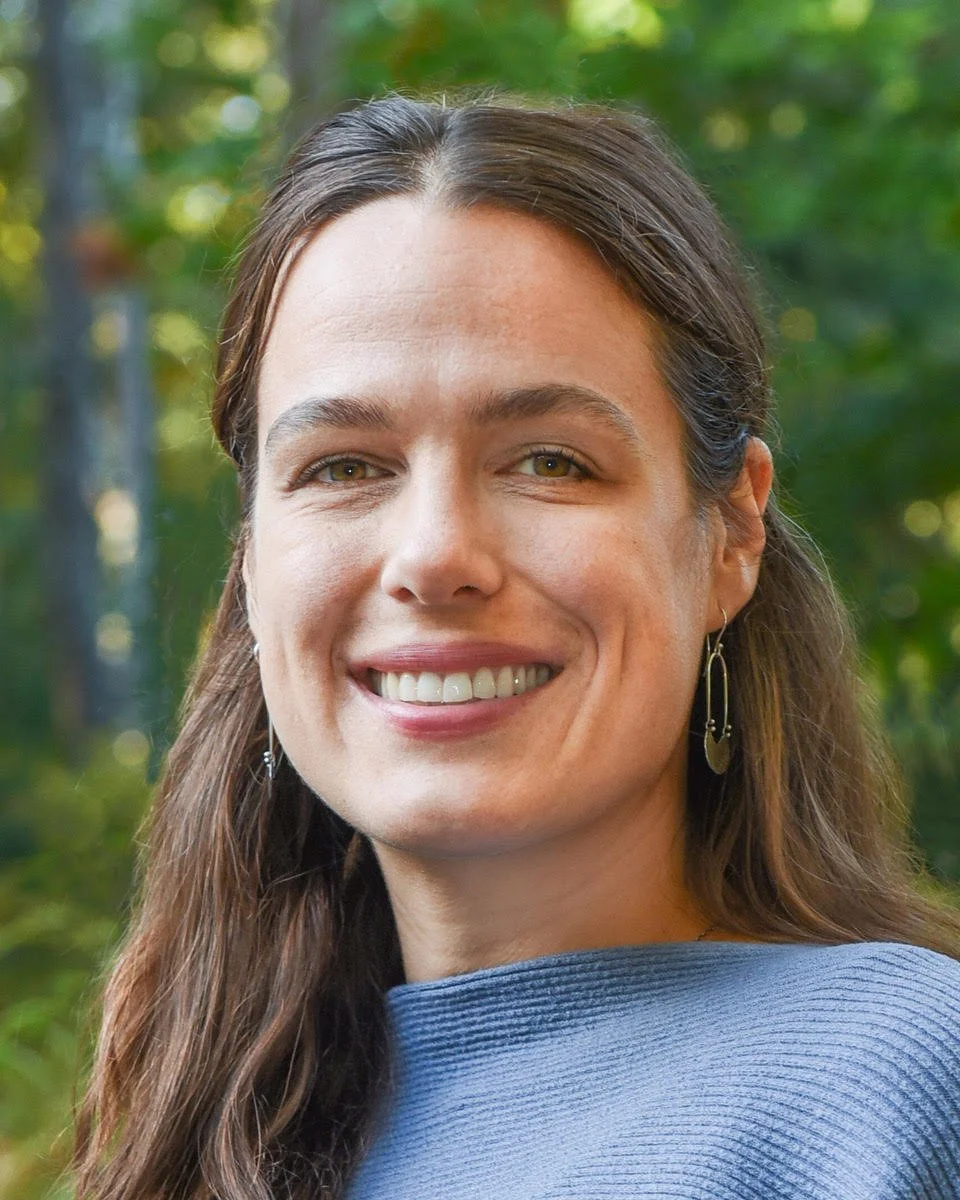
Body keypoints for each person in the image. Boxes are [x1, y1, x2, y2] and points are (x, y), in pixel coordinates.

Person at [73, 96, 960, 1200]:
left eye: (549, 460)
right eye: (345, 466)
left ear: (730, 532)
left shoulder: (899, 1081)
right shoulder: (200, 1135)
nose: (437, 554)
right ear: (252, 561)